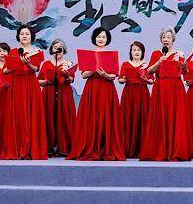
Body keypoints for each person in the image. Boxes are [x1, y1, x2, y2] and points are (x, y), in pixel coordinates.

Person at [68, 27, 125, 161]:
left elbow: (114, 76)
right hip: (92, 88)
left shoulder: (111, 54)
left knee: (106, 117)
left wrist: (105, 75)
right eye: (99, 36)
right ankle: (91, 148)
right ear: (94, 38)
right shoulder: (88, 54)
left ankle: (106, 148)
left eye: (103, 37)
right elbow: (84, 75)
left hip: (107, 88)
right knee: (92, 117)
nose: (101, 39)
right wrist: (93, 68)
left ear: (107, 39)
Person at [141, 27, 190, 161]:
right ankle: (160, 149)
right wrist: (159, 62)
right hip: (160, 87)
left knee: (176, 118)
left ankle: (176, 150)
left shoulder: (179, 54)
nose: (166, 39)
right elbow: (149, 71)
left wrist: (184, 68)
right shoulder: (156, 54)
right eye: (163, 37)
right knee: (160, 118)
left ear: (173, 39)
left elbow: (185, 73)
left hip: (176, 88)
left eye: (168, 37)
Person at [0, 24, 47, 160]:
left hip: (31, 84)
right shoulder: (13, 52)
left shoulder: (36, 51)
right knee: (17, 114)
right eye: (22, 34)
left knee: (31, 114)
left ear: (31, 36)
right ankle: (16, 148)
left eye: (27, 34)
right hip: (16, 84)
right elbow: (5, 71)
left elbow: (36, 69)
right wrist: (15, 64)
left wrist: (27, 63)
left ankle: (31, 149)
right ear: (18, 36)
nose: (24, 36)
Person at [39, 38, 77, 157]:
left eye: (60, 47)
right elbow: (39, 81)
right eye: (55, 47)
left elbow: (72, 79)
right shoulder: (46, 63)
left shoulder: (68, 63)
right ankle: (49, 146)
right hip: (48, 93)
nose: (57, 49)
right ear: (51, 50)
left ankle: (64, 146)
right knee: (48, 117)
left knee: (64, 117)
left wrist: (67, 75)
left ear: (64, 49)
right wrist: (46, 81)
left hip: (64, 93)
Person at [118, 41, 152, 158]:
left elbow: (151, 80)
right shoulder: (125, 64)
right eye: (134, 50)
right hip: (129, 93)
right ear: (131, 52)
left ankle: (142, 148)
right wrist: (124, 79)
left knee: (142, 119)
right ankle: (127, 147)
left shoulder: (146, 65)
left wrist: (146, 79)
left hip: (142, 93)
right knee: (128, 118)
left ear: (142, 52)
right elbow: (120, 79)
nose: (136, 52)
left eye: (139, 50)